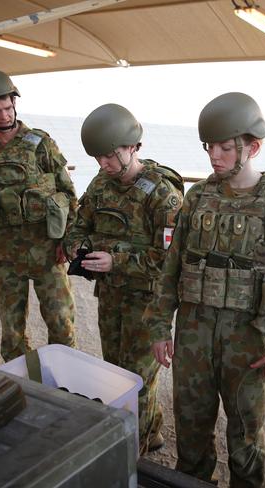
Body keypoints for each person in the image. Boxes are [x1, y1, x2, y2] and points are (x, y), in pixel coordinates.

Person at [144, 92, 265, 487]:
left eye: (224, 147)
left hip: (248, 341)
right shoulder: (198, 196)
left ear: (252, 147)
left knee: (246, 437)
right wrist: (158, 327)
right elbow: (173, 265)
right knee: (191, 428)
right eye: (209, 147)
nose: (214, 156)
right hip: (193, 337)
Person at [63, 103, 184, 454]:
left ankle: (136, 451)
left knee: (136, 381)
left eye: (111, 156)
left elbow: (170, 258)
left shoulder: (163, 194)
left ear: (133, 147)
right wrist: (76, 247)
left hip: (146, 302)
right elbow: (78, 224)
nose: (104, 165)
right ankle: (152, 431)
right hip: (111, 296)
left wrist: (116, 259)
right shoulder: (102, 183)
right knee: (114, 373)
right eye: (98, 158)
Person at [0, 69, 78, 361]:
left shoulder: (41, 144)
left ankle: (67, 382)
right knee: (11, 331)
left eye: (8, 107)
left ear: (15, 102)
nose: (4, 115)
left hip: (47, 250)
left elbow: (68, 194)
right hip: (7, 254)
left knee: (61, 323)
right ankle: (22, 385)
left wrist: (68, 240)